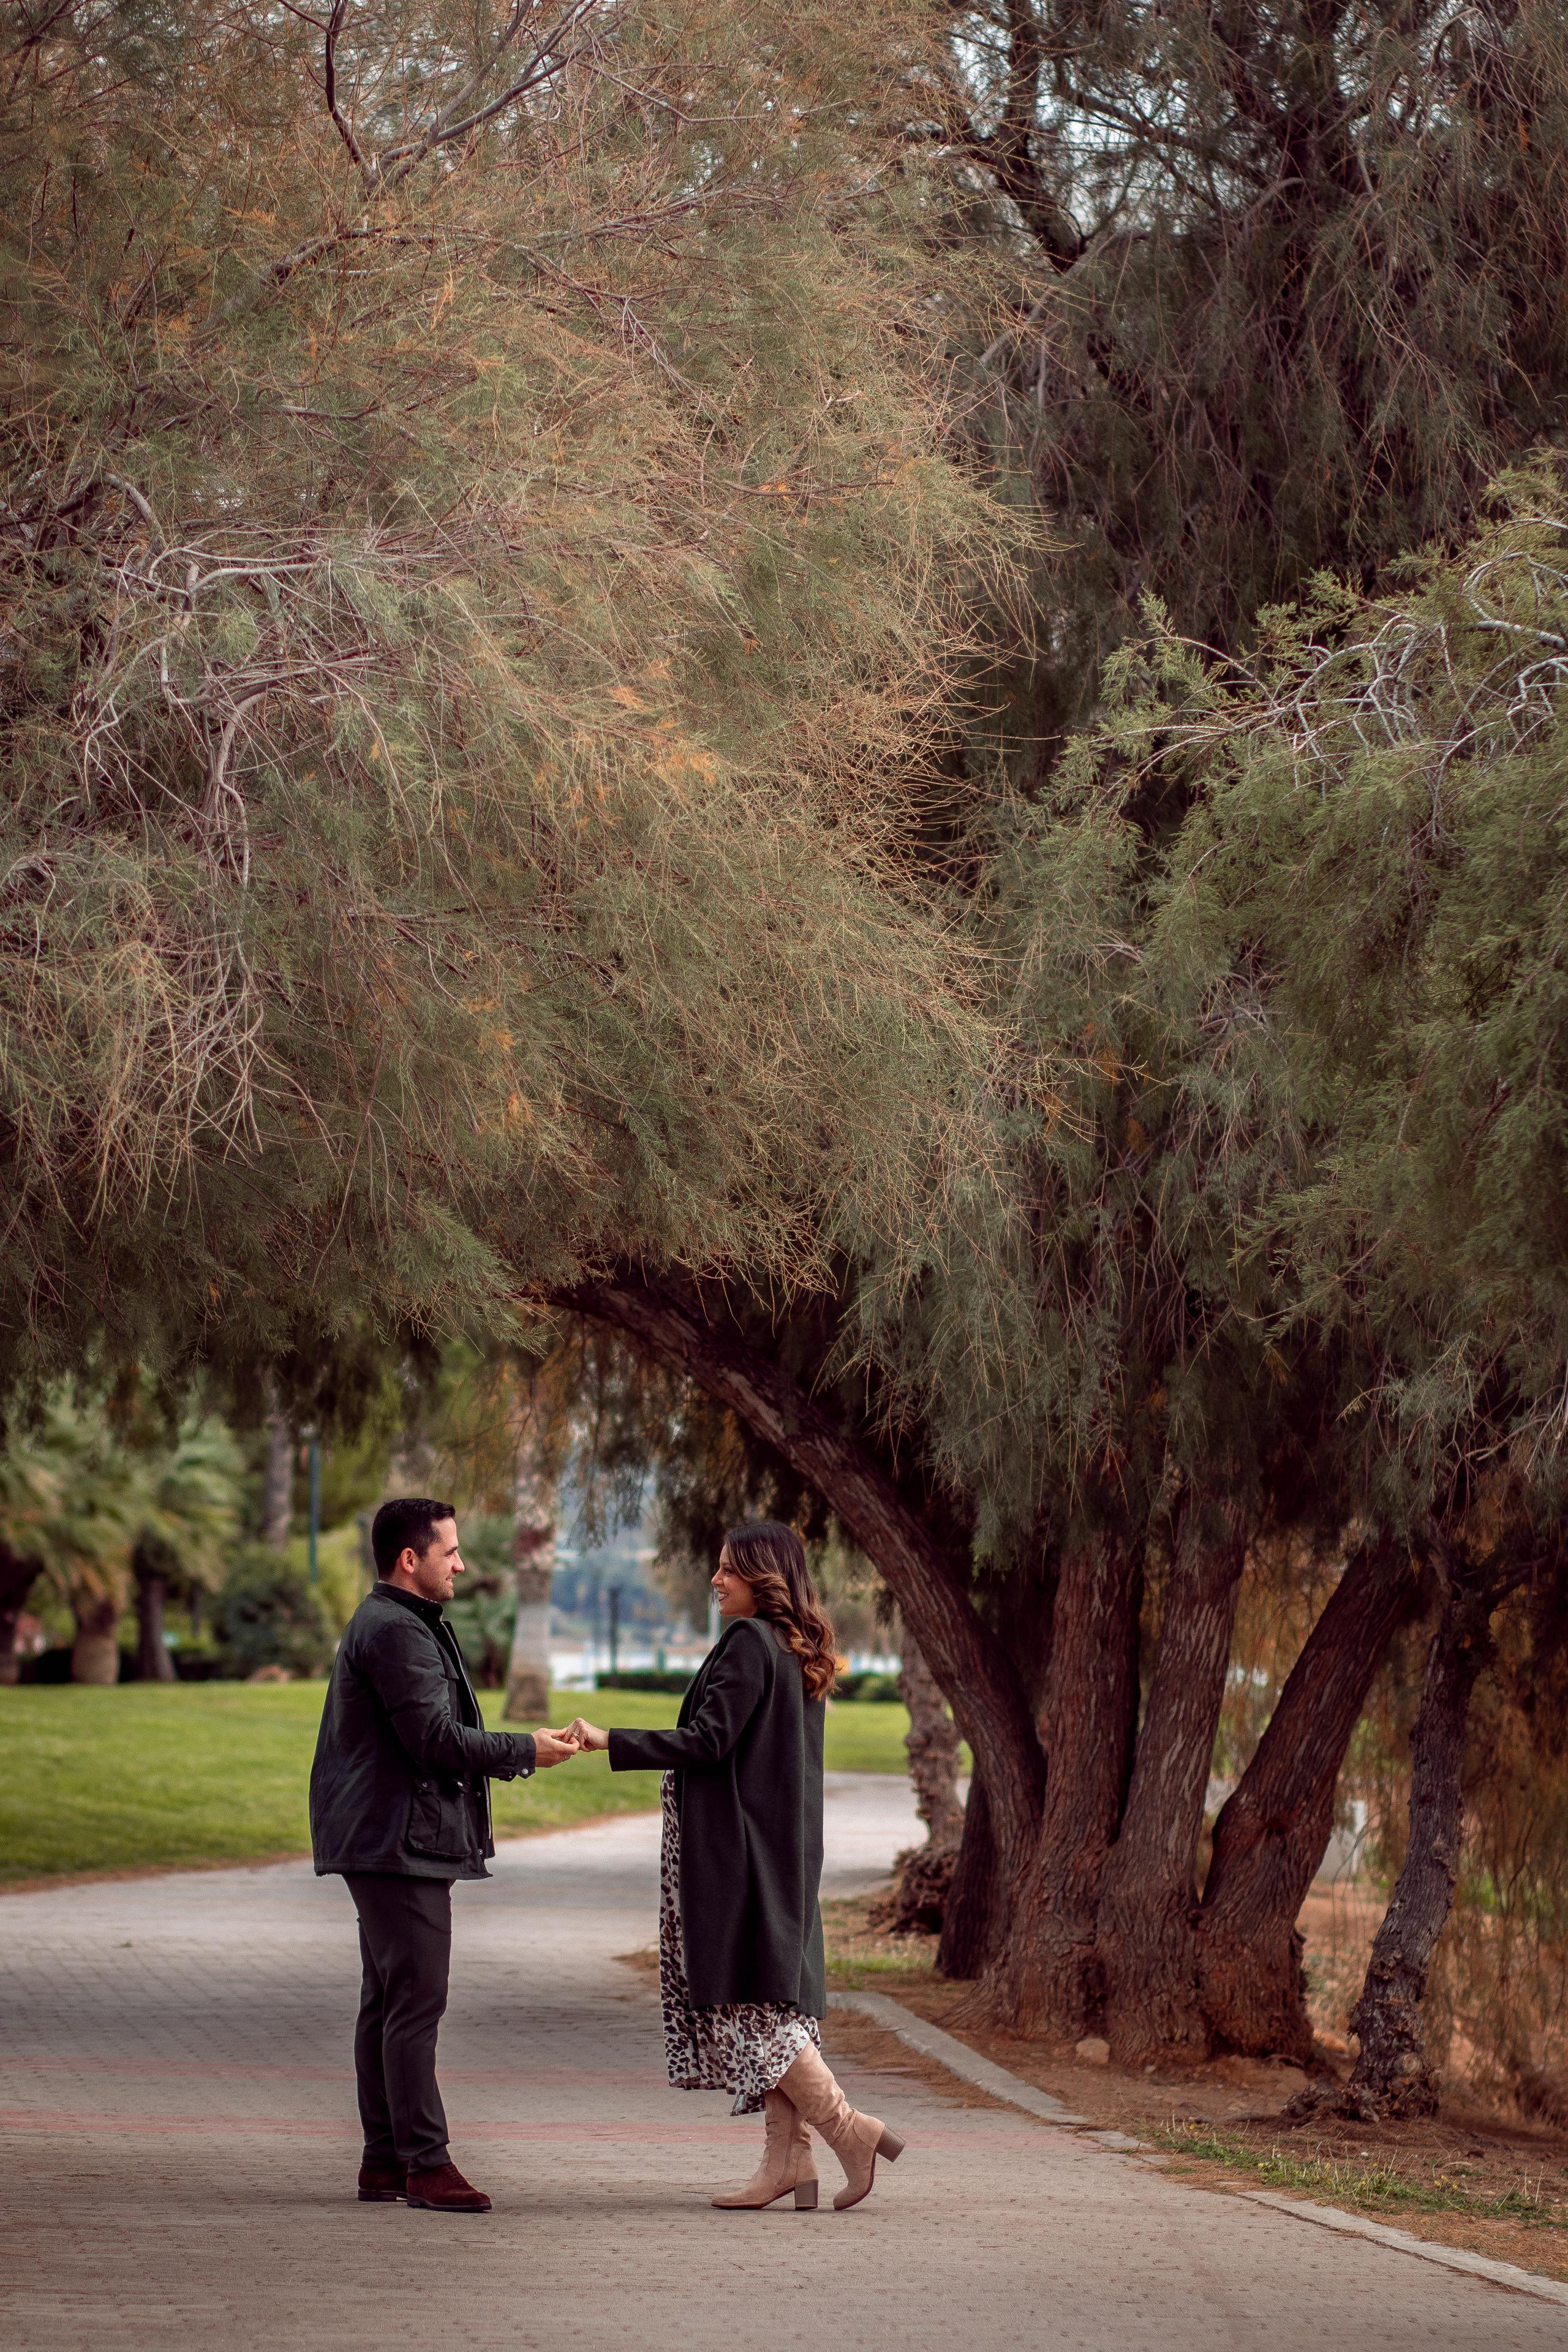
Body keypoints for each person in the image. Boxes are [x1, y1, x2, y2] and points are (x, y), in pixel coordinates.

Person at [567, 1521, 905, 2212]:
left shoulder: (749, 1642)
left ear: (762, 1577)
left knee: (753, 2011)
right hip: (777, 1850)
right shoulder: (794, 1646)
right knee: (769, 2001)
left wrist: (609, 1739)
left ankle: (849, 2130)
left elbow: (707, 1740)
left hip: (740, 1854)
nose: (715, 1580)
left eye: (727, 1570)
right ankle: (788, 2164)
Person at [309, 1496, 579, 2213]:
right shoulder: (397, 1632)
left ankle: (384, 2161)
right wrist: (526, 1750)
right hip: (397, 1844)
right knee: (416, 2003)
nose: (461, 1563)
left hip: (387, 1837)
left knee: (389, 2000)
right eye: (450, 1551)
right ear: (411, 1559)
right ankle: (425, 2164)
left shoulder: (399, 1624)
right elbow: (433, 1740)